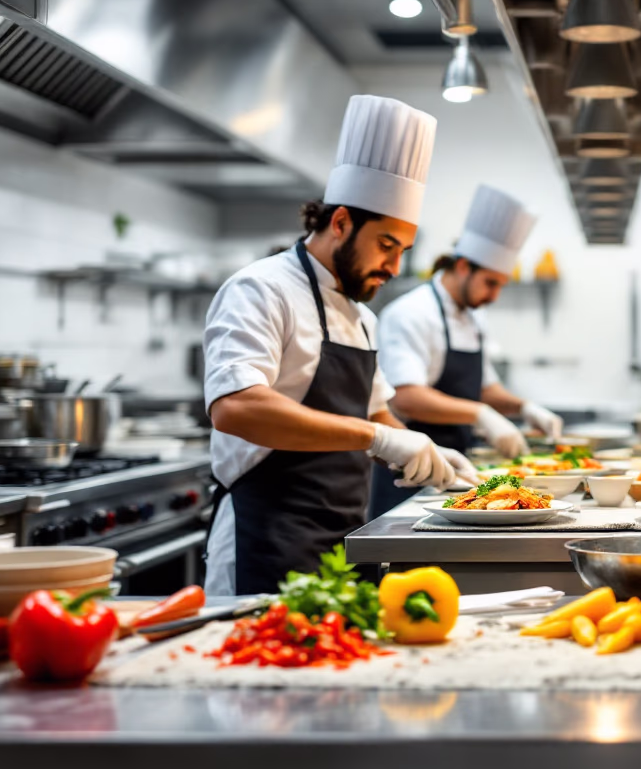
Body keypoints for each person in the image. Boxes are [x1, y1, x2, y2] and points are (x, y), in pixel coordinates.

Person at [202, 95, 473, 595]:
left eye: (403, 251)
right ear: (341, 222)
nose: (394, 268)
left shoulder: (361, 316)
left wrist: (429, 452)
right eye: (386, 245)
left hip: (344, 546)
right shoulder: (260, 289)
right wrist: (377, 439)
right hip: (265, 542)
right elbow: (236, 407)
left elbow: (377, 414)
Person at [369, 185, 562, 518]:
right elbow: (406, 396)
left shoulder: (473, 317)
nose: (495, 295)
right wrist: (480, 415)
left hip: (460, 466)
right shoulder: (410, 314)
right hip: (412, 470)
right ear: (462, 267)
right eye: (491, 283)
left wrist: (524, 407)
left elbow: (486, 388)